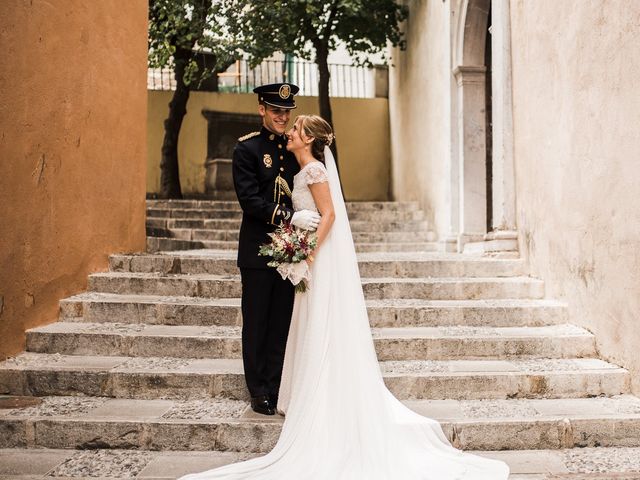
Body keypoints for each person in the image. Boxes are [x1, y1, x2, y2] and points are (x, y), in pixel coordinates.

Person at [180, 115, 510, 479]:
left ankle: (320, 395)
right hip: (294, 252)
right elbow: (261, 199)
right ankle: (283, 390)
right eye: (284, 119)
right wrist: (296, 231)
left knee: (316, 324)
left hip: (311, 255)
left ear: (308, 138)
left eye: (295, 127)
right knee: (293, 324)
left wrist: (306, 251)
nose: (288, 128)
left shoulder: (314, 170)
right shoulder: (281, 158)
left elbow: (330, 214)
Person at [231, 83, 321, 416]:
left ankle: (276, 384)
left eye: (286, 112)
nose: (282, 117)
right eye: (275, 111)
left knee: (282, 319)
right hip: (257, 250)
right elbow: (250, 200)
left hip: (291, 252)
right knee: (257, 321)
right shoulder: (247, 150)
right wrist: (289, 215)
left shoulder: (295, 149)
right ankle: (258, 390)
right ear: (262, 110)